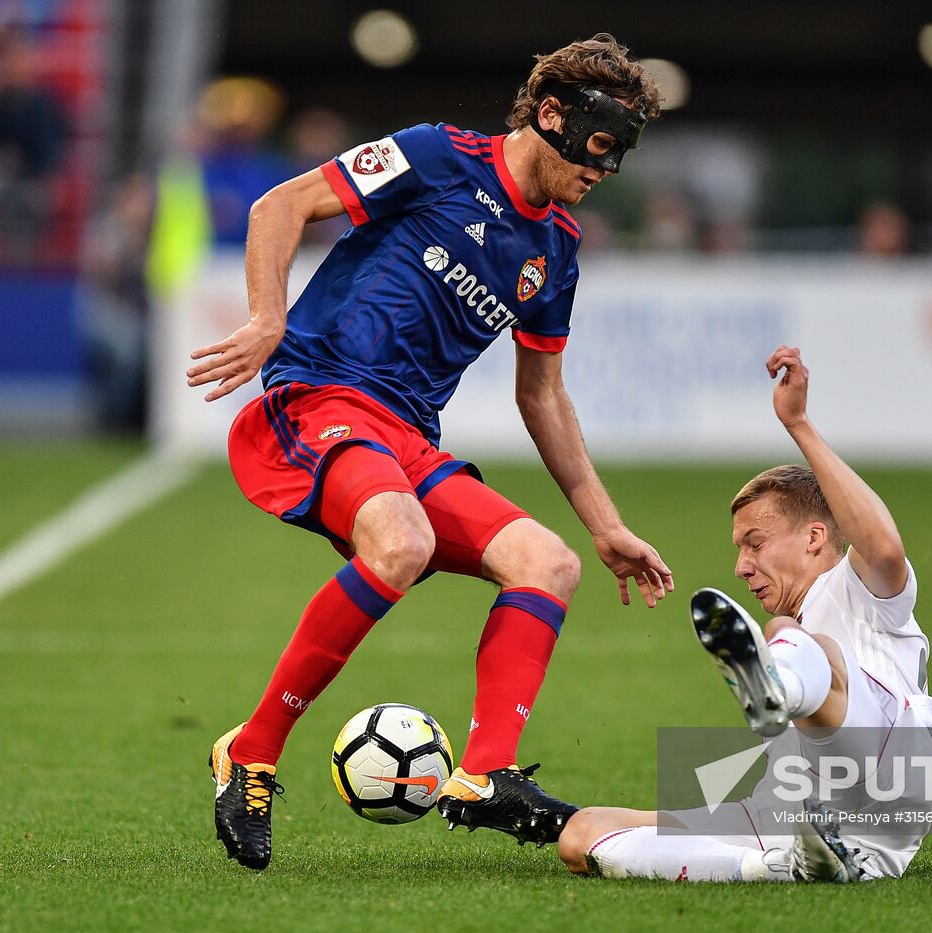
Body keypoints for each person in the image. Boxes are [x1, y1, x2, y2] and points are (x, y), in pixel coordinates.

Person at [188, 34, 671, 871]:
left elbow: (542, 394)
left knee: (548, 565)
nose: (604, 171)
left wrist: (605, 525)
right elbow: (280, 206)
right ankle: (252, 751)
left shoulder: (556, 249)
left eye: (618, 157)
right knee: (402, 543)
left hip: (408, 437)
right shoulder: (437, 156)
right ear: (551, 114)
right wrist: (268, 319)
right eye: (599, 147)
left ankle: (483, 777)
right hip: (324, 394)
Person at [556, 345, 932, 883]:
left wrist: (800, 424)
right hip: (808, 813)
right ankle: (781, 867)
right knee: (584, 837)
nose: (742, 566)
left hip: (895, 766)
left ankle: (782, 692)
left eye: (755, 543)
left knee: (790, 636)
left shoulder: (857, 587)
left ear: (815, 539)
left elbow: (883, 546)